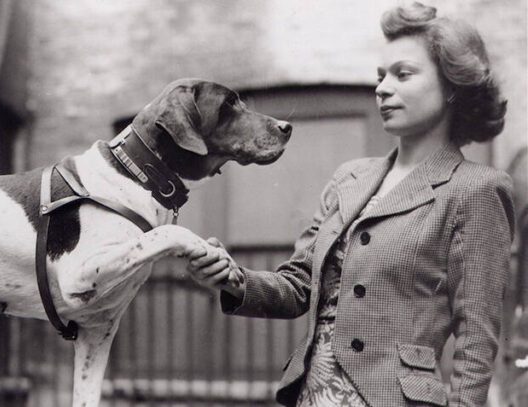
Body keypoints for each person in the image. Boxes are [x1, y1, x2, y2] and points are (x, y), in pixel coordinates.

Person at [187, 2, 514, 406]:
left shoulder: (477, 190)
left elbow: (477, 339)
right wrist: (231, 278)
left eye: (403, 74)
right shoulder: (349, 178)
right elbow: (298, 287)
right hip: (312, 394)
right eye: (379, 77)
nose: (382, 88)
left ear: (451, 87)